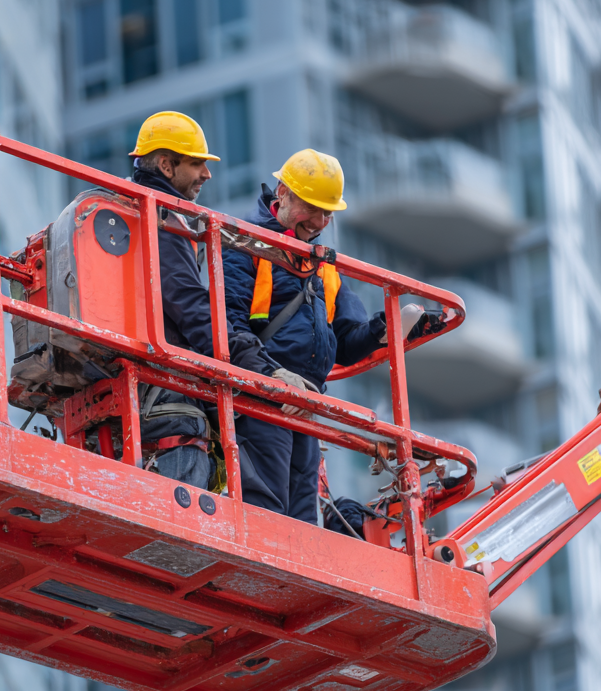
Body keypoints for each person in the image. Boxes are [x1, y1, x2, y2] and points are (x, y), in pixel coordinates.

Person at [224, 149, 445, 526]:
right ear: (283, 193)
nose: (321, 221)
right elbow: (227, 328)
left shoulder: (322, 267)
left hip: (307, 404)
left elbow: (345, 342)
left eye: (329, 213)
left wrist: (388, 328)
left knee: (301, 521)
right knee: (266, 513)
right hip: (259, 401)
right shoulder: (244, 245)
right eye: (312, 208)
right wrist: (271, 378)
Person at [125, 112, 283, 487]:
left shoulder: (134, 207)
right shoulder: (159, 215)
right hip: (162, 392)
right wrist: (257, 367)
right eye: (196, 163)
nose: (206, 174)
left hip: (139, 387)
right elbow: (189, 302)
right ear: (166, 164)